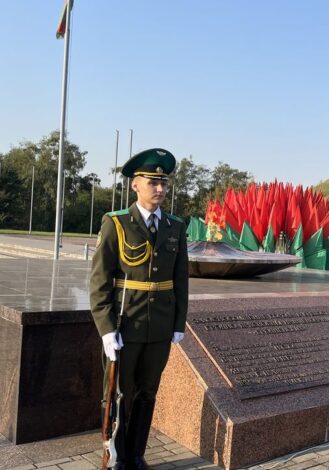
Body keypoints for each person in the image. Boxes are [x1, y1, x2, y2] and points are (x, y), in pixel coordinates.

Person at [90, 148, 189, 470]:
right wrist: (106, 329)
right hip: (125, 324)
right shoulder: (116, 223)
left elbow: (180, 279)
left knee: (148, 393)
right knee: (120, 394)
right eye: (152, 182)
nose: (159, 189)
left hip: (160, 326)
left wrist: (178, 323)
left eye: (164, 183)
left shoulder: (175, 226)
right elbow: (100, 281)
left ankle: (137, 454)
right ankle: (116, 456)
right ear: (135, 185)